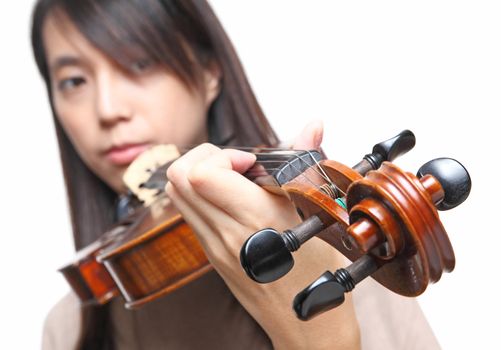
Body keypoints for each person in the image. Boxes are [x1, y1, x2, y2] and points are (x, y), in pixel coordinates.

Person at [31, 0, 440, 349]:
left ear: (210, 73)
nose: (107, 109)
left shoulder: (334, 250)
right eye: (74, 80)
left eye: (139, 62)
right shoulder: (69, 326)